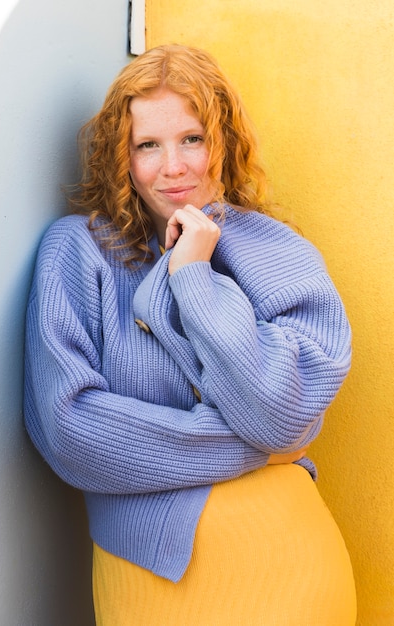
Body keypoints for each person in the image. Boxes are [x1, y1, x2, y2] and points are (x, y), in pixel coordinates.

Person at [24, 44, 357, 625]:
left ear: (222, 142)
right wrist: (256, 449)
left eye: (192, 139)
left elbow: (281, 412)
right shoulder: (77, 252)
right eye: (147, 145)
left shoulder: (278, 252)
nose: (173, 166)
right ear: (120, 157)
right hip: (150, 577)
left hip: (293, 569)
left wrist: (195, 275)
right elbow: (68, 429)